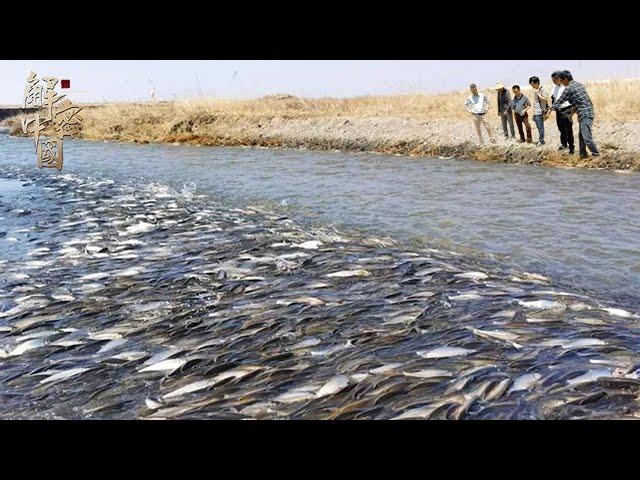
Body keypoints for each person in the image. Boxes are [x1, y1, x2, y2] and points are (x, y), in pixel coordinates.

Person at [551, 71, 600, 159]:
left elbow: (559, 102)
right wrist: (572, 113)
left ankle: (596, 155)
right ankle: (583, 155)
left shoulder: (568, 88)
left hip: (585, 114)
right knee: (581, 136)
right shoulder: (579, 84)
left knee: (587, 138)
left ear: (566, 79)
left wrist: (548, 111)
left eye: (562, 81)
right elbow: (579, 101)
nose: (561, 83)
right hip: (587, 112)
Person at [549, 71, 574, 154]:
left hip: (567, 109)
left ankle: (571, 148)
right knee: (560, 127)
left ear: (559, 79)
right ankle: (564, 144)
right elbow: (553, 98)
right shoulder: (555, 87)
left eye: (554, 80)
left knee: (568, 128)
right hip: (558, 110)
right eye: (552, 80)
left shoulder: (566, 86)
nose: (553, 81)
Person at [528, 76, 549, 145]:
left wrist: (538, 94)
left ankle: (542, 141)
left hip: (540, 111)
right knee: (538, 127)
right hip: (536, 111)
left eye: (533, 84)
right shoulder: (537, 90)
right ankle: (540, 140)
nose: (532, 86)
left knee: (540, 127)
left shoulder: (542, 89)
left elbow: (546, 99)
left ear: (537, 83)